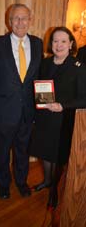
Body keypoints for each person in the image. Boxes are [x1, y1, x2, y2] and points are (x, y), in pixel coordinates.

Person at [0, 3, 43, 199]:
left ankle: (21, 182)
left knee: (23, 150)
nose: (20, 22)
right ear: (9, 21)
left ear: (30, 20)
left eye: (24, 18)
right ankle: (4, 184)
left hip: (28, 110)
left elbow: (38, 77)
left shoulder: (38, 43)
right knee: (2, 151)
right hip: (4, 109)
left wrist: (42, 106)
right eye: (16, 18)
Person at [30, 26, 86, 209]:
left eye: (63, 41)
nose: (59, 44)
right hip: (44, 117)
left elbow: (84, 98)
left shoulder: (78, 67)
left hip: (63, 121)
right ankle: (47, 180)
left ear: (71, 44)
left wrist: (63, 105)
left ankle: (53, 190)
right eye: (55, 41)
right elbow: (38, 87)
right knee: (43, 152)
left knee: (56, 156)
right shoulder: (45, 63)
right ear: (51, 44)